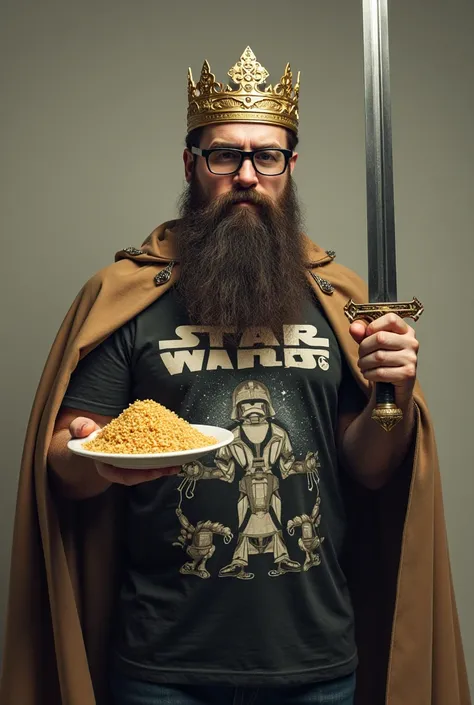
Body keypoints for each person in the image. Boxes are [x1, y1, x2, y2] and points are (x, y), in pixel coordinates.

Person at [0, 48, 470, 705]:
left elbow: (367, 465)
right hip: (164, 666)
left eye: (266, 156)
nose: (247, 174)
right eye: (226, 155)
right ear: (191, 163)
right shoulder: (129, 297)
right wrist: (93, 456)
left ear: (290, 168)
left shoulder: (338, 298)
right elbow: (62, 464)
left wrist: (391, 396)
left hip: (316, 662)